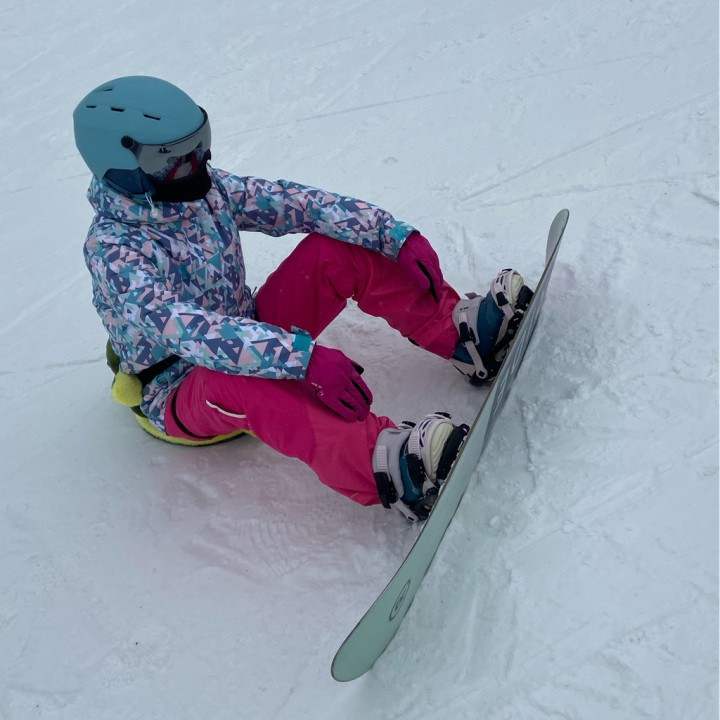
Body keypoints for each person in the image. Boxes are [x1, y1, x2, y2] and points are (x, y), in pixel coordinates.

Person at [74, 76, 531, 522]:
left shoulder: (204, 193)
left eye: (200, 146)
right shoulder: (114, 252)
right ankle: (391, 467)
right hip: (183, 385)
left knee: (334, 250)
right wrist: (301, 358)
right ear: (121, 165)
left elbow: (294, 204)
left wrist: (391, 234)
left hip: (248, 329)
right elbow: (192, 333)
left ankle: (462, 335)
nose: (195, 165)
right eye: (173, 160)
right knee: (241, 378)